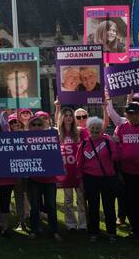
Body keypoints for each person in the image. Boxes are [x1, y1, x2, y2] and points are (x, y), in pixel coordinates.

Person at [112, 101, 139, 240]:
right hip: (128, 173)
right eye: (129, 113)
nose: (132, 116)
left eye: (135, 113)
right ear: (126, 114)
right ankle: (137, 231)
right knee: (132, 203)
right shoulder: (121, 128)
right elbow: (116, 146)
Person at [76, 117, 119, 243]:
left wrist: (115, 142)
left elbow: (116, 157)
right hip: (90, 179)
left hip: (107, 179)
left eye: (97, 128)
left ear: (101, 129)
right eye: (92, 128)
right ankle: (94, 233)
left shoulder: (107, 141)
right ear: (88, 129)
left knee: (109, 207)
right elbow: (79, 164)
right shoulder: (84, 143)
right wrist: (80, 181)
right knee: (93, 207)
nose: (95, 130)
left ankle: (111, 233)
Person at [26, 114, 61, 241]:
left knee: (51, 206)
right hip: (33, 178)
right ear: (29, 126)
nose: (36, 127)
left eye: (39, 124)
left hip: (50, 178)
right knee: (34, 206)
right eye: (33, 124)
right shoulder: (24, 138)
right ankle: (34, 229)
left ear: (43, 125)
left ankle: (54, 231)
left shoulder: (52, 137)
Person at [54, 104, 87, 232]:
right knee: (68, 201)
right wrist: (57, 108)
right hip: (65, 171)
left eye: (70, 115)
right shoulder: (57, 133)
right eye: (65, 115)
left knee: (81, 200)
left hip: (78, 170)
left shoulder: (80, 132)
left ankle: (83, 224)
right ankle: (71, 224)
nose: (68, 118)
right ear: (61, 117)